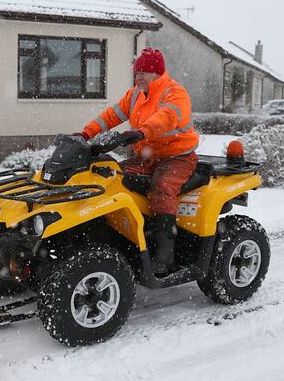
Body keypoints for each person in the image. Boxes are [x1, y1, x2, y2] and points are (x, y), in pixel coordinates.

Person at [76, 47, 199, 274]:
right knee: (111, 178)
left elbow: (167, 118)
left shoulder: (175, 93)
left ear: (156, 72)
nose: (138, 77)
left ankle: (165, 253)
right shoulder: (135, 95)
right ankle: (121, 236)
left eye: (143, 72)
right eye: (136, 72)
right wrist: (85, 134)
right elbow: (111, 115)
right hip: (147, 156)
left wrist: (141, 132)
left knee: (161, 189)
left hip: (177, 157)